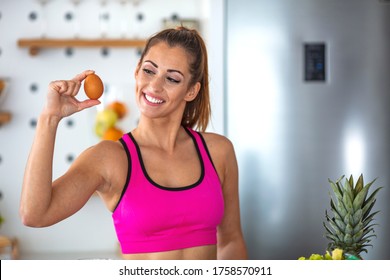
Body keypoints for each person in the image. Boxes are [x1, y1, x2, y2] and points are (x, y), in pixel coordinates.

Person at [20, 27, 247, 260]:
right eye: (149, 71)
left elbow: (231, 240)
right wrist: (50, 117)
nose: (155, 86)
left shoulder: (218, 151)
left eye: (172, 78)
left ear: (191, 90)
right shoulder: (109, 158)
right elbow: (34, 214)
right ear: (137, 72)